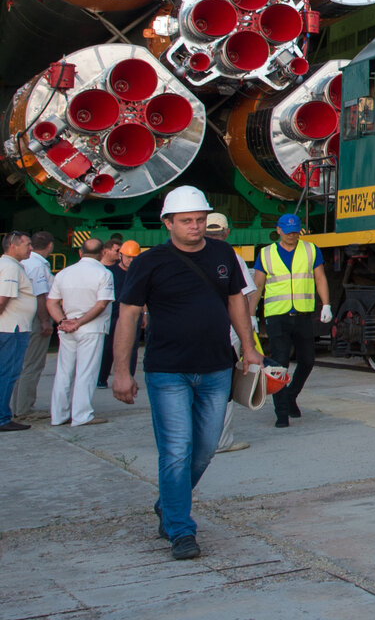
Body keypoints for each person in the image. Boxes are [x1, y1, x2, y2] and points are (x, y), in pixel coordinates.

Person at [112, 187, 263, 561]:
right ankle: (180, 529)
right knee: (176, 450)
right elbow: (128, 315)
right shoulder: (151, 262)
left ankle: (168, 502)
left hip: (216, 368)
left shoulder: (223, 254)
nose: (195, 227)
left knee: (206, 448)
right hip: (168, 371)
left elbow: (236, 303)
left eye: (199, 220)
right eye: (186, 221)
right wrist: (121, 371)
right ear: (168, 223)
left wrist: (248, 347)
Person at [256, 215, 330, 429]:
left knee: (307, 361)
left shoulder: (310, 250)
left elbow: (320, 277)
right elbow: (258, 285)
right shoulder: (266, 253)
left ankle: (290, 396)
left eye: (295, 230)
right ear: (278, 230)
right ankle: (281, 414)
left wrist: (326, 304)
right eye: (288, 230)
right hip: (277, 316)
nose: (292, 234)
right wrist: (251, 315)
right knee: (280, 365)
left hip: (303, 315)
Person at [47, 238, 114, 427]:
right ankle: (81, 415)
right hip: (91, 329)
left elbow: (51, 302)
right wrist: (80, 322)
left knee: (63, 372)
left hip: (66, 328)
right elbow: (102, 304)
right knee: (86, 372)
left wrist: (63, 321)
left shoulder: (63, 273)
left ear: (80, 252)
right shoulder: (104, 274)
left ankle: (58, 415)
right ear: (102, 254)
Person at [204, 214, 257, 453]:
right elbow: (243, 297)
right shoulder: (230, 257)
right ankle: (220, 441)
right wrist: (249, 337)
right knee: (222, 385)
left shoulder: (184, 255)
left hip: (194, 331)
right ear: (227, 232)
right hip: (226, 331)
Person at [11, 232, 55, 420]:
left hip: (23, 319)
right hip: (37, 319)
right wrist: (45, 321)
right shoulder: (37, 266)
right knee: (33, 364)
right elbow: (40, 296)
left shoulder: (24, 263)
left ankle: (16, 406)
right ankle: (24, 409)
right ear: (50, 246)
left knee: (21, 364)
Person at [0, 232, 37, 431]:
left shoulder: (8, 265)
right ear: (14, 245)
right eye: (27, 244)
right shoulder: (9, 267)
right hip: (12, 329)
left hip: (11, 327)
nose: (30, 248)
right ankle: (2, 419)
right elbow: (3, 299)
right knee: (7, 373)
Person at [95, 241, 126, 388]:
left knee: (109, 348)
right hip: (98, 313)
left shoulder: (118, 270)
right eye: (117, 250)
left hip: (114, 313)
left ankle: (102, 378)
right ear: (105, 251)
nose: (119, 254)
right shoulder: (98, 270)